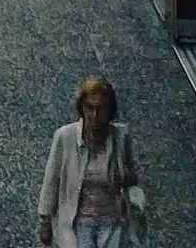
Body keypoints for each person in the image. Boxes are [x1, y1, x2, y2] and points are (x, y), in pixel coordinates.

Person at [38, 76, 143, 248]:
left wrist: (125, 176)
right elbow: (51, 179)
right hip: (79, 223)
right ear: (82, 108)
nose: (94, 115)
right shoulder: (65, 136)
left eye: (101, 109)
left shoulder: (121, 136)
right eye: (89, 108)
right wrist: (44, 220)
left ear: (109, 111)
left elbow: (133, 177)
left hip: (113, 223)